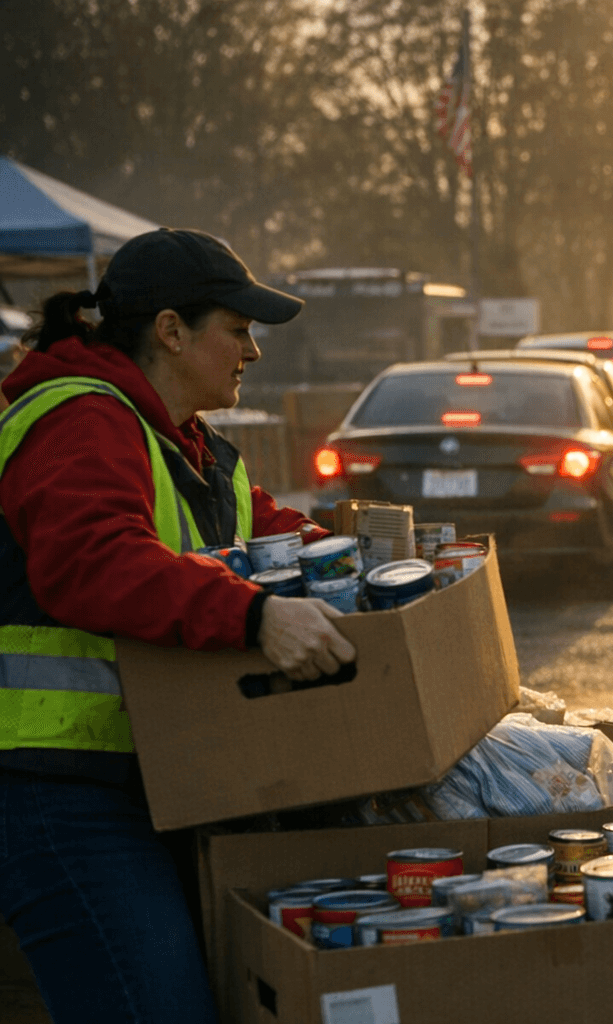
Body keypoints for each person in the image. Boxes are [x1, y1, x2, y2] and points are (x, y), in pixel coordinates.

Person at [0, 228, 357, 1023]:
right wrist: (257, 615)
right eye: (237, 329)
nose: (252, 353)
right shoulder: (81, 421)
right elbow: (93, 563)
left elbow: (272, 537)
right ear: (170, 330)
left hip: (157, 776)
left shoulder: (190, 446)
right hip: (57, 790)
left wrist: (394, 568)